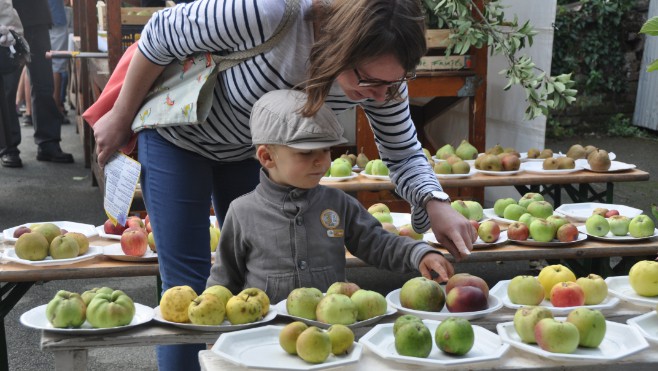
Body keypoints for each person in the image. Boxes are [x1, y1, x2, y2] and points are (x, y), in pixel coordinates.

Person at [90, 1, 476, 369]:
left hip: (254, 153)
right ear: (342, 45)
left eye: (394, 84)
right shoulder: (269, 13)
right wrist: (121, 116)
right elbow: (159, 34)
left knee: (253, 279)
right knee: (190, 290)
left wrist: (435, 201)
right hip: (179, 137)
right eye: (369, 82)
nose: (380, 96)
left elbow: (403, 151)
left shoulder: (384, 78)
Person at [207, 89, 454, 303]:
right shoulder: (243, 212)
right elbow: (224, 279)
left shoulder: (338, 204)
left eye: (326, 149)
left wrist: (419, 253)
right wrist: (215, 332)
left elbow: (378, 243)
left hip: (331, 332)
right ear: (267, 157)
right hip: (266, 336)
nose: (321, 160)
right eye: (306, 152)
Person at [1, 0, 74, 166]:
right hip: (6, 17)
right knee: (8, 87)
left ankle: (48, 142)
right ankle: (8, 147)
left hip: (36, 15)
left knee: (43, 82)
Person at [0, 0, 28, 167]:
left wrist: (13, 34)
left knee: (7, 95)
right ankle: (8, 147)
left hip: (5, 37)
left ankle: (9, 147)